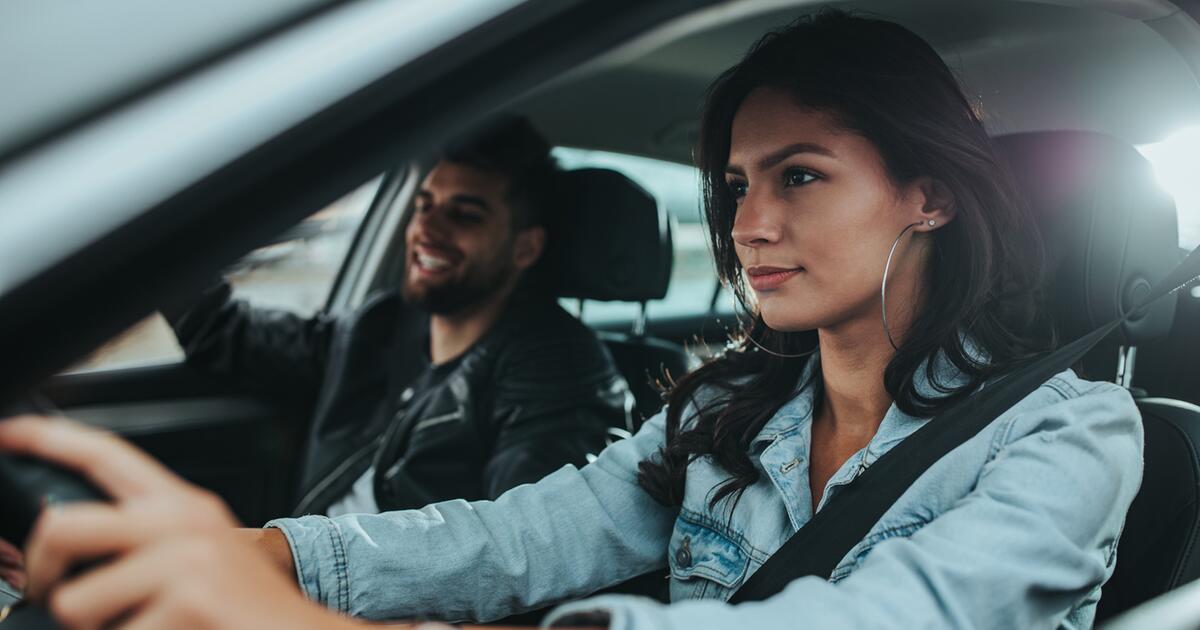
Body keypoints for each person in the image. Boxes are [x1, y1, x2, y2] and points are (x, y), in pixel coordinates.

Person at [3, 10, 1142, 630]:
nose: (748, 223)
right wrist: (266, 556)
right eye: (737, 185)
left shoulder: (1071, 438)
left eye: (800, 177)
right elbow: (522, 536)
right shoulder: (726, 407)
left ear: (930, 195)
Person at [163, 116, 630, 517]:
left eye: (464, 215)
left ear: (525, 246)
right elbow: (224, 334)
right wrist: (159, 239)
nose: (427, 229)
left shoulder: (559, 369)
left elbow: (527, 551)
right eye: (424, 206)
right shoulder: (379, 327)